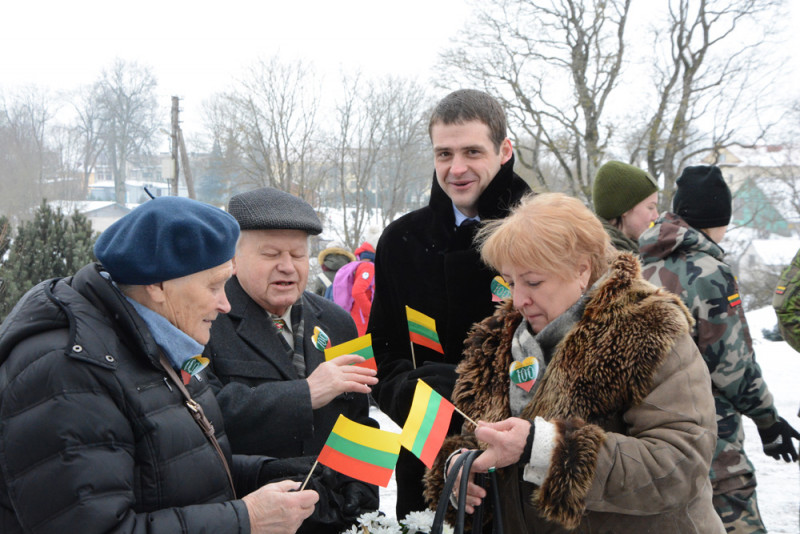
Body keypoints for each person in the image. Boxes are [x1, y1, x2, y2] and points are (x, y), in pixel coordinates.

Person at [0, 196, 318, 533]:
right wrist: (247, 519)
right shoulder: (69, 373)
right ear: (157, 285)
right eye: (213, 286)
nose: (225, 304)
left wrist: (271, 473)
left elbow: (174, 465)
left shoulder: (158, 340)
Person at [423, 192, 724, 533]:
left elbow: (680, 467)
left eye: (533, 281)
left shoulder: (648, 330)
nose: (519, 299)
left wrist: (547, 449)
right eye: (509, 283)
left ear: (582, 270)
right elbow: (482, 438)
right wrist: (463, 466)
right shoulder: (497, 340)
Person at [368, 88, 531, 518]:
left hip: (518, 460)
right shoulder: (402, 240)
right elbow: (380, 346)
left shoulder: (543, 232)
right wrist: (408, 392)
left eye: (472, 151)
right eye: (444, 154)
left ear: (504, 150)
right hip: (427, 450)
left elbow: (571, 347)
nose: (456, 169)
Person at [204, 187, 379, 531]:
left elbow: (360, 419)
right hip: (251, 516)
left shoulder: (338, 321)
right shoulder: (206, 320)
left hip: (331, 515)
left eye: (298, 255)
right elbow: (203, 416)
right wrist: (305, 394)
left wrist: (364, 490)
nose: (287, 267)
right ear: (233, 258)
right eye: (270, 254)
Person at [639, 165, 800, 533]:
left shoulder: (640, 265)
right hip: (710, 432)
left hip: (651, 433)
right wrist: (768, 420)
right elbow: (732, 365)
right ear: (717, 218)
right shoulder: (709, 271)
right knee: (734, 515)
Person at [592, 160, 659, 253]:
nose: (656, 216)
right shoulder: (601, 260)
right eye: (650, 207)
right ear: (625, 209)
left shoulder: (634, 250)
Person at [332, 241, 376, 336]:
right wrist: (372, 312)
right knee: (364, 350)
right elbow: (357, 292)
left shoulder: (361, 265)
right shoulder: (368, 267)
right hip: (363, 322)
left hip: (358, 318)